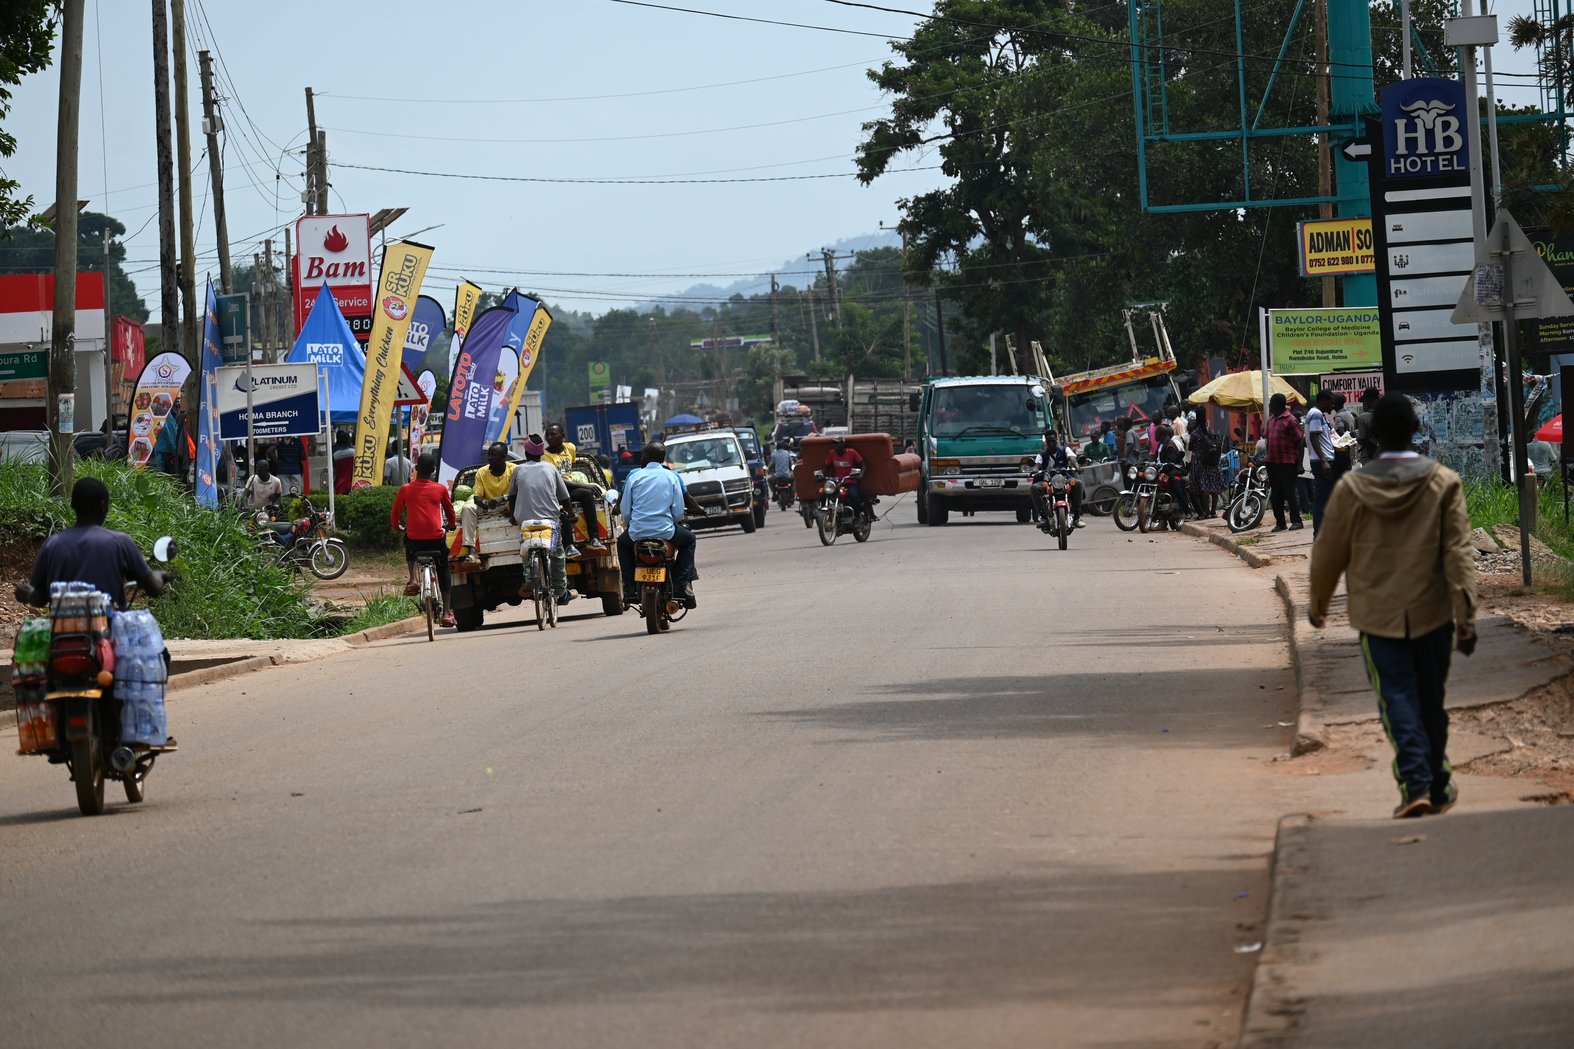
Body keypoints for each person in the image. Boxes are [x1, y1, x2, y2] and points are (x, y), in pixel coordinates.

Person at [1309, 393, 1477, 819]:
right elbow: (1458, 553)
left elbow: (1329, 551)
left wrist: (1319, 603)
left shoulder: (1352, 488)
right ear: (1415, 430)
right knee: (1429, 700)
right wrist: (1465, 614)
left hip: (1377, 615)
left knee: (1397, 698)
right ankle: (1435, 782)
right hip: (1433, 611)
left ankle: (1419, 783)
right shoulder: (1444, 483)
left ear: (1375, 433)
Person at [17, 477, 168, 611]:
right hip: (109, 633)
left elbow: (39, 598)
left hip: (62, 634)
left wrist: (28, 594)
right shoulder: (120, 542)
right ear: (104, 506)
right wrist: (160, 575)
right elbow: (153, 588)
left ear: (73, 505)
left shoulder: (52, 544)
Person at [619, 441, 697, 608]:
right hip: (666, 531)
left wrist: (632, 524)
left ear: (646, 457)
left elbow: (625, 511)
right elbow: (677, 512)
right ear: (663, 458)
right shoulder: (672, 476)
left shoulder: (633, 477)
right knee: (689, 541)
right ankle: (680, 585)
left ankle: (629, 589)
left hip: (637, 532)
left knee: (622, 544)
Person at [508, 434, 576, 606]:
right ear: (540, 453)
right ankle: (561, 592)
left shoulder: (519, 470)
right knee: (558, 554)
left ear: (526, 452)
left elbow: (512, 497)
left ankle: (530, 579)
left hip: (526, 523)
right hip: (550, 522)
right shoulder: (550, 468)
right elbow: (564, 498)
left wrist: (513, 515)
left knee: (526, 552)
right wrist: (571, 514)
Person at [390, 452, 457, 628]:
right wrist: (450, 525)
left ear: (416, 469)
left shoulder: (405, 489)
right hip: (436, 538)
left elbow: (395, 514)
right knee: (443, 569)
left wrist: (397, 526)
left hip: (415, 540)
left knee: (409, 541)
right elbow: (451, 513)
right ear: (433, 471)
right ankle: (447, 613)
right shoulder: (440, 489)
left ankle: (413, 579)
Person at [543, 423, 606, 551]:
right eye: (547, 435)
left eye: (553, 434)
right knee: (564, 502)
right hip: (555, 489)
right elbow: (557, 480)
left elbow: (568, 473)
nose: (549, 438)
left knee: (586, 494)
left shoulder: (570, 448)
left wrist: (585, 487)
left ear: (563, 436)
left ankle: (594, 538)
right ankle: (569, 545)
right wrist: (585, 485)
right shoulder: (545, 456)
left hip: (569, 487)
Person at [1264, 393, 1305, 532]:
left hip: (1287, 462)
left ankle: (1296, 521)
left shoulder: (1290, 420)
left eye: (1271, 404)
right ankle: (1280, 522)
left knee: (1289, 492)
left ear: (1277, 405)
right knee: (1276, 493)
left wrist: (1299, 463)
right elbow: (1268, 439)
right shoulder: (1270, 420)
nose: (1269, 406)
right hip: (1272, 462)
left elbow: (1300, 441)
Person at [1031, 430, 1083, 527]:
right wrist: (1034, 470)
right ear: (1046, 443)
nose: (1051, 444)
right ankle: (1043, 518)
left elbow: (1072, 459)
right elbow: (1037, 465)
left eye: (1053, 441)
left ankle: (1077, 516)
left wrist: (1077, 467)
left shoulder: (1065, 450)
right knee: (1034, 487)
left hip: (1065, 479)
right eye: (1049, 442)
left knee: (1078, 483)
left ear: (1057, 441)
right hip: (1048, 481)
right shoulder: (1041, 454)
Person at [1305, 389, 1338, 535]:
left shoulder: (1317, 414)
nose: (1333, 406)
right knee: (1321, 499)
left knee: (1326, 497)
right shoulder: (1316, 414)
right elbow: (1313, 437)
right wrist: (1324, 460)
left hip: (1322, 460)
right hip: (1322, 462)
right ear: (1323, 401)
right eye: (1331, 402)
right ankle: (1318, 533)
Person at [821, 435, 868, 517]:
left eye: (837, 443)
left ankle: (858, 515)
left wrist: (861, 474)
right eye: (834, 443)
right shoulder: (832, 453)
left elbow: (863, 464)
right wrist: (821, 474)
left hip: (850, 481)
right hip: (837, 482)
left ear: (843, 445)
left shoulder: (851, 452)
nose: (835, 445)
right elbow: (826, 466)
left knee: (853, 495)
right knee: (823, 494)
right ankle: (825, 514)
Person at [1189, 417, 1226, 518]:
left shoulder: (1195, 434)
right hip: (1214, 463)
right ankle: (1213, 512)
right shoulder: (1212, 432)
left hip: (1201, 463)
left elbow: (1190, 447)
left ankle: (1205, 512)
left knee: (1204, 487)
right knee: (1214, 487)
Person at [1354, 386, 1381, 467]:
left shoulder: (1363, 417)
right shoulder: (1386, 414)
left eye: (1364, 401)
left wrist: (1355, 436)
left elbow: (1362, 439)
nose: (1363, 404)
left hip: (1369, 456)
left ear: (1368, 400)